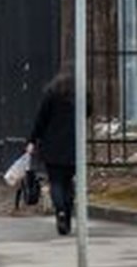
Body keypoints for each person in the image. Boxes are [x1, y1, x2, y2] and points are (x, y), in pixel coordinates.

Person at [27, 67, 89, 236]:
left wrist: (32, 140)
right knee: (68, 182)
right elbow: (88, 112)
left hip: (52, 147)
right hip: (73, 147)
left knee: (56, 182)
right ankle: (67, 216)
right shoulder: (80, 94)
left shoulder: (51, 94)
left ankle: (60, 211)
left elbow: (40, 120)